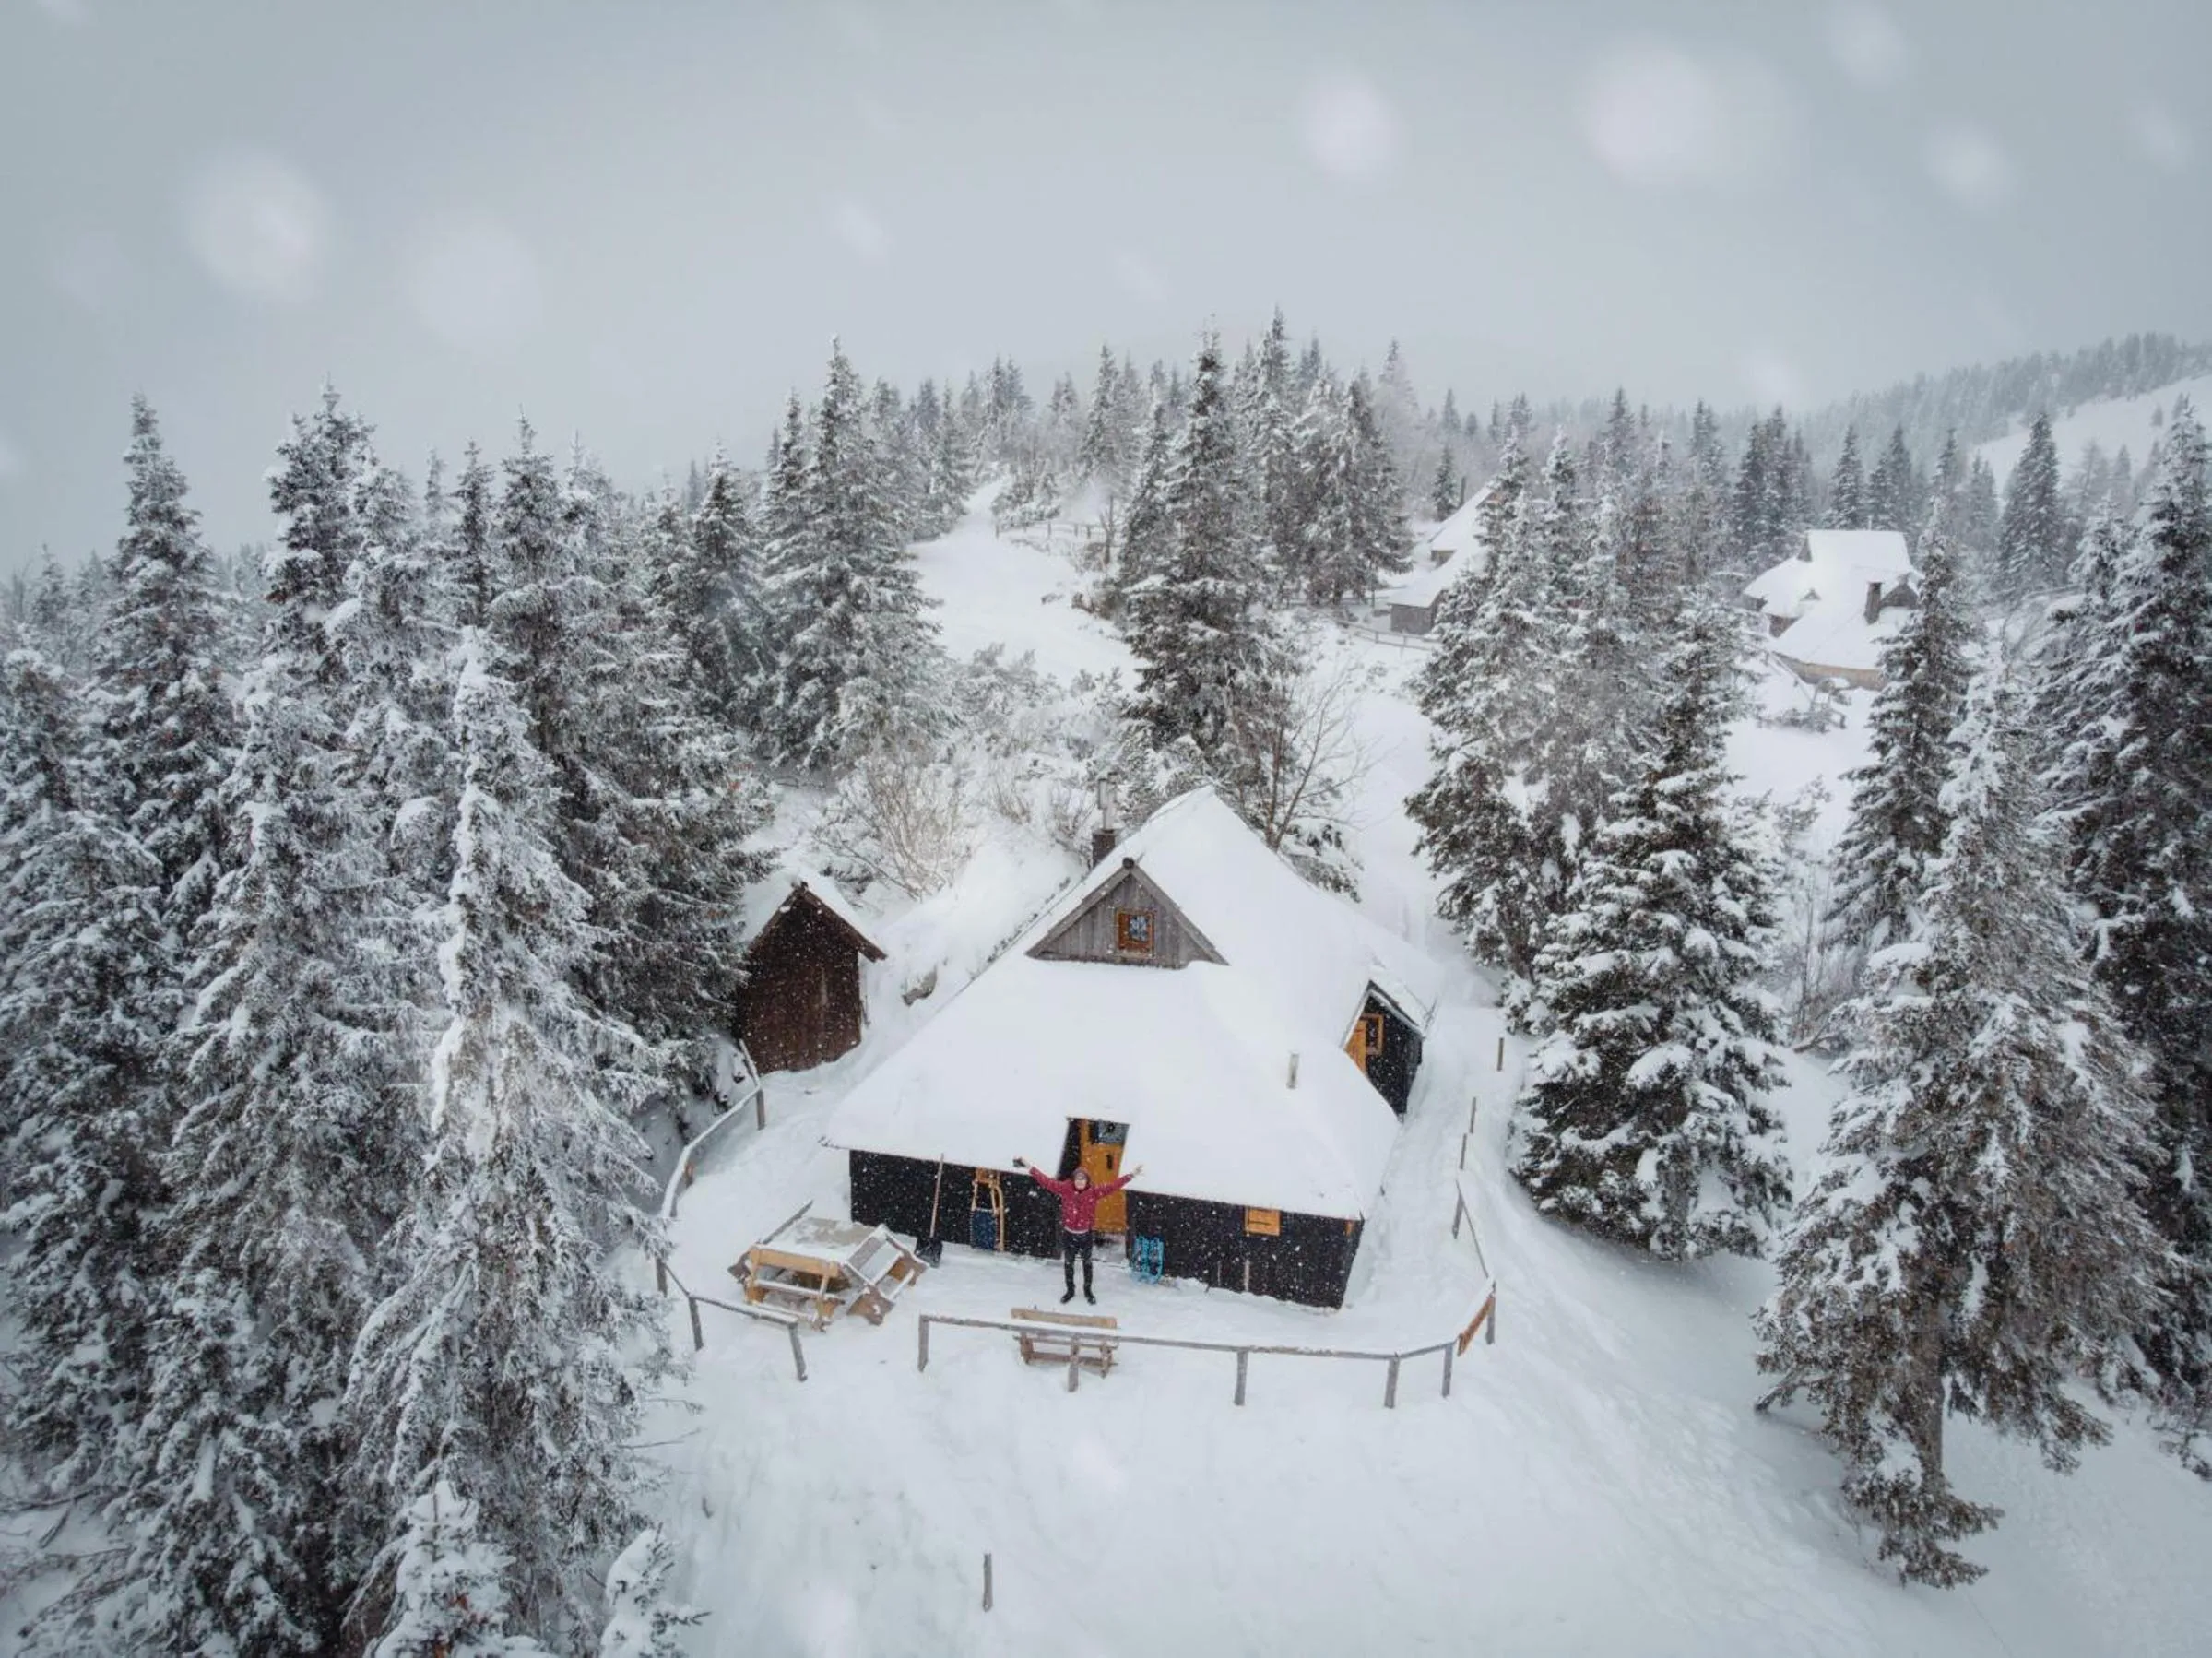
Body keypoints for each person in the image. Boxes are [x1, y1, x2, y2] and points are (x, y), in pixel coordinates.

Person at [1012, 1156, 1141, 1305]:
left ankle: (1088, 1291)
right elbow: (1046, 1182)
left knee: (1087, 1264)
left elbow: (1113, 1186)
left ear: (1087, 1181)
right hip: (1069, 1234)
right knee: (1069, 1263)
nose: (1080, 1182)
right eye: (1077, 1179)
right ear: (1073, 1180)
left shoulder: (1094, 1192)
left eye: (1083, 1180)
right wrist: (1029, 1167)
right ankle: (1070, 1291)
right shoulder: (1065, 1189)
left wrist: (1131, 1175)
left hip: (1086, 1235)